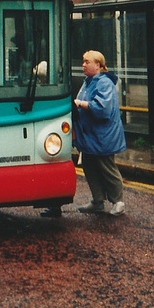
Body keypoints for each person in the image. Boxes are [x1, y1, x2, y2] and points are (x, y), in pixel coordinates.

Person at [43, 50, 126, 218]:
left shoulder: (104, 83)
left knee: (106, 167)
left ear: (98, 65)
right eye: (83, 62)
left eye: (87, 62)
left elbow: (103, 109)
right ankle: (97, 201)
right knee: (90, 167)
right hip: (90, 136)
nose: (83, 65)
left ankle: (118, 202)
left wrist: (80, 103)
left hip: (103, 136)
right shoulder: (89, 81)